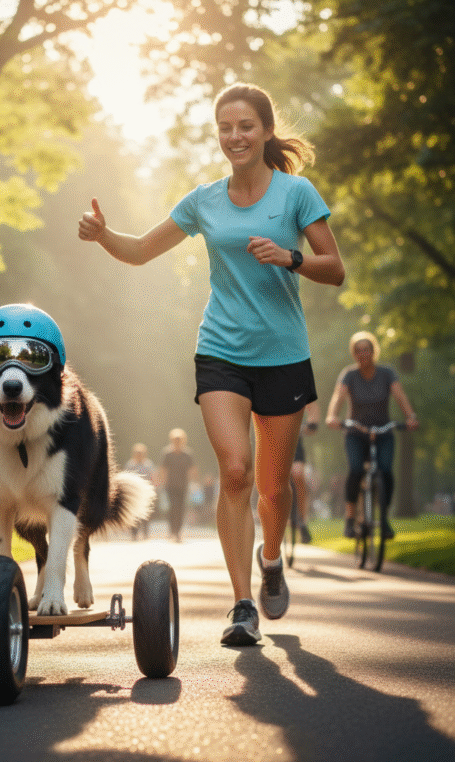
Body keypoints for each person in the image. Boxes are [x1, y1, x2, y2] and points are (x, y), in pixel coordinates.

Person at [78, 82, 344, 646]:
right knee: (236, 473)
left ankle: (271, 558)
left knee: (274, 487)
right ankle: (242, 604)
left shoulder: (296, 194)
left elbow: (334, 267)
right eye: (225, 127)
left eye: (245, 126)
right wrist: (104, 237)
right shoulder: (204, 200)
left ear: (266, 131)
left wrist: (291, 257)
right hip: (221, 351)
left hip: (284, 356)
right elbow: (142, 249)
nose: (235, 136)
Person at [325, 331, 418, 539]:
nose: (362, 354)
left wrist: (410, 416)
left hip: (383, 431)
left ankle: (384, 520)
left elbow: (400, 395)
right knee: (356, 470)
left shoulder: (387, 373)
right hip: (356, 433)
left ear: (373, 351)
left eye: (366, 349)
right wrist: (332, 416)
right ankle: (350, 520)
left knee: (385, 471)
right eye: (358, 351)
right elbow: (337, 397)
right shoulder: (349, 375)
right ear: (353, 354)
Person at [156, 429, 198, 542]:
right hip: (170, 486)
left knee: (180, 509)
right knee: (172, 508)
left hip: (183, 485)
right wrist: (161, 482)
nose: (177, 442)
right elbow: (163, 469)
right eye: (175, 440)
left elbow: (192, 470)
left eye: (179, 440)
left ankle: (178, 532)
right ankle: (171, 531)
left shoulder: (187, 454)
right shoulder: (167, 453)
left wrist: (194, 482)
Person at [290, 400, 320, 544]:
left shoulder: (298, 383)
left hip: (295, 442)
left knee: (298, 474)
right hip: (271, 439)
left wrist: (311, 423)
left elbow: (312, 406)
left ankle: (302, 520)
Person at [125, 443, 156, 539]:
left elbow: (153, 477)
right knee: (133, 513)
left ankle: (145, 533)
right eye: (137, 453)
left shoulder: (148, 464)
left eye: (141, 453)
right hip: (133, 492)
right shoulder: (130, 464)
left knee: (146, 512)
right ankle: (134, 534)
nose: (139, 454)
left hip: (145, 492)